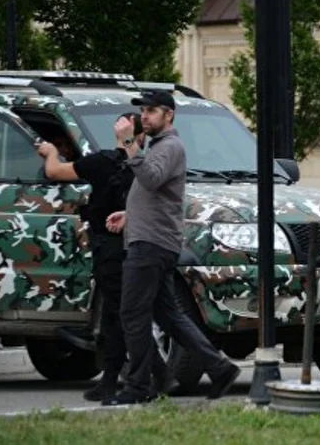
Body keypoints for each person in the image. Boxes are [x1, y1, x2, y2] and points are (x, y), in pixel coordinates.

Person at [102, 90, 241, 406]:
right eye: (144, 111)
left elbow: (150, 179)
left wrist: (128, 143)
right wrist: (130, 214)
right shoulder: (160, 147)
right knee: (170, 316)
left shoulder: (170, 147)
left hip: (150, 247)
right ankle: (220, 369)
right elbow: (158, 194)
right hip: (153, 240)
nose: (145, 116)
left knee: (132, 314)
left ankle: (139, 387)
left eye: (151, 111)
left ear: (169, 115)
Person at [36, 114, 173, 401]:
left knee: (120, 316)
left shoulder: (101, 162)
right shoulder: (147, 168)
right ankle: (138, 377)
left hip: (111, 250)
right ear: (142, 138)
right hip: (141, 247)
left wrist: (50, 152)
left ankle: (146, 377)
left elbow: (55, 172)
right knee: (130, 314)